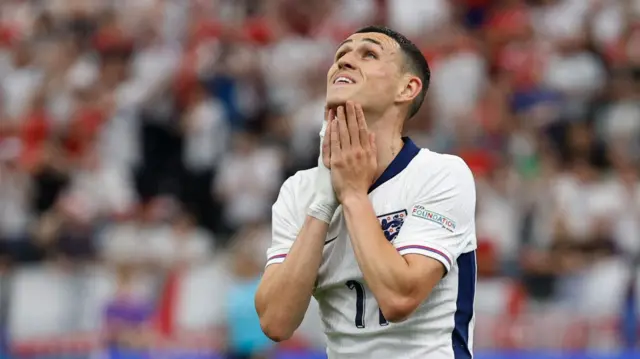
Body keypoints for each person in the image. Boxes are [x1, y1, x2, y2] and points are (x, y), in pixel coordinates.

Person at [255, 25, 477, 359]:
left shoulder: (441, 174)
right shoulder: (298, 191)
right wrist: (323, 200)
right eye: (340, 55)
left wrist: (354, 195)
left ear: (407, 88)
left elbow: (399, 298)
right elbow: (276, 322)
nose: (344, 62)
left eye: (368, 54)